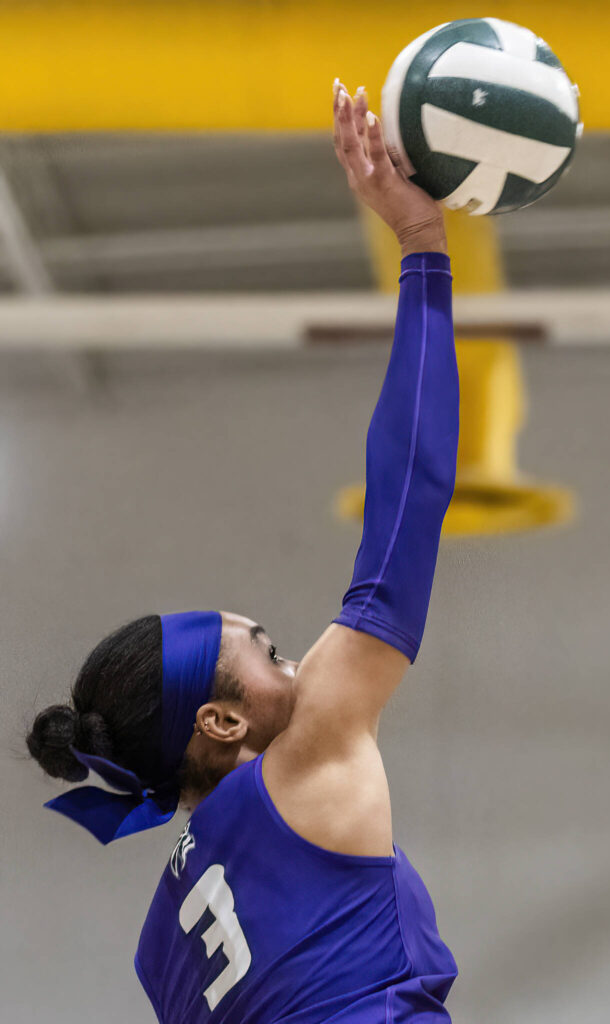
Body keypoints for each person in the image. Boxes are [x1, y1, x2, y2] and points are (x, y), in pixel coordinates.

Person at [26, 80, 460, 1024]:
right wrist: (423, 249)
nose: (295, 658)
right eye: (264, 650)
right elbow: (408, 499)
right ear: (222, 723)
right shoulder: (306, 754)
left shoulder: (166, 942)